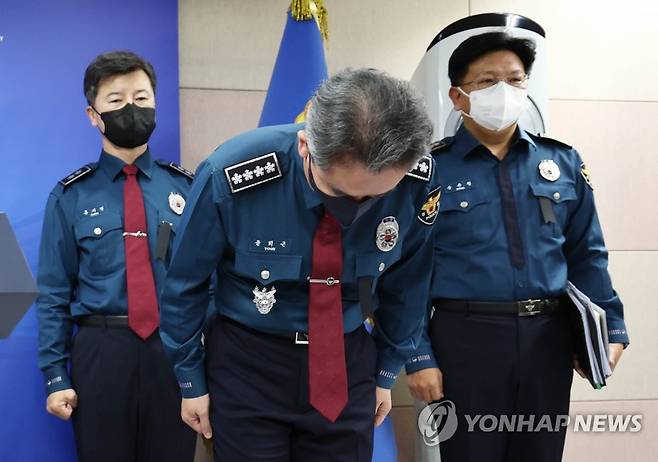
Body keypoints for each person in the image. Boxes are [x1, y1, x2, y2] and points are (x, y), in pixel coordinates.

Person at [159, 68, 439, 461]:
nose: (354, 213)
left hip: (347, 362)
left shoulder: (415, 181)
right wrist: (190, 381)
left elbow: (408, 285)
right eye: (340, 193)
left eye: (375, 197)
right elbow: (184, 285)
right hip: (248, 364)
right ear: (306, 145)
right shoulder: (232, 174)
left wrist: (386, 370)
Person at [405, 32, 629, 462]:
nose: (504, 92)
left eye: (515, 79)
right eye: (487, 82)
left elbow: (587, 255)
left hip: (549, 338)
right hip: (465, 340)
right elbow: (406, 271)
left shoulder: (562, 162)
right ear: (458, 96)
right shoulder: (428, 171)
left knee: (541, 453)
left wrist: (611, 329)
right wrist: (416, 353)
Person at [36, 50, 196, 462]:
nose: (131, 108)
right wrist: (55, 375)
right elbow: (54, 292)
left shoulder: (187, 189)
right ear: (93, 115)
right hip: (100, 351)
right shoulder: (70, 196)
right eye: (117, 99)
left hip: (174, 351)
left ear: (156, 105)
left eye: (141, 98)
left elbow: (207, 281)